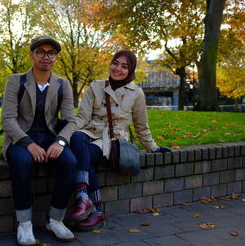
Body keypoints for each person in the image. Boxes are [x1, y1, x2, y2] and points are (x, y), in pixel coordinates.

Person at [69, 50, 171, 231]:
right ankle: (85, 200)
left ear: (130, 70)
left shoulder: (136, 93)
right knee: (77, 137)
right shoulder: (96, 86)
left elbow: (141, 125)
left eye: (124, 66)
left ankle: (94, 207)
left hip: (112, 140)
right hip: (90, 132)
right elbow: (82, 118)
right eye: (115, 63)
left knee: (83, 156)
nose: (118, 69)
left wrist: (153, 147)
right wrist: (63, 135)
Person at [1, 35, 77, 245]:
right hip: (21, 137)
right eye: (41, 52)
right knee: (23, 162)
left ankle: (55, 219)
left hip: (50, 137)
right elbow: (7, 119)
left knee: (70, 162)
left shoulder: (63, 84)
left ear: (56, 57)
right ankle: (24, 224)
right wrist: (29, 144)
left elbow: (71, 120)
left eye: (51, 53)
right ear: (32, 55)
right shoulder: (15, 81)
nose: (46, 56)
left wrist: (60, 142)